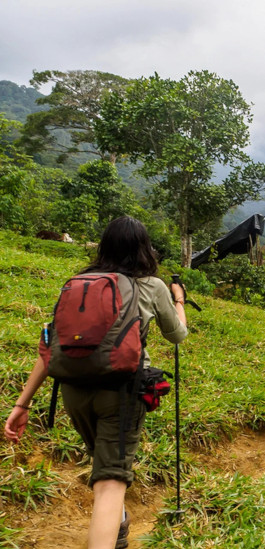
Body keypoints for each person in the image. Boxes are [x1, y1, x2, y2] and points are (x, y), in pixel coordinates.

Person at [4, 216, 188, 549]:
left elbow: (50, 346)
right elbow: (177, 335)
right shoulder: (151, 285)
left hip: (74, 393)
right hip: (122, 393)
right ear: (144, 248)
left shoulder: (80, 283)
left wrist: (22, 403)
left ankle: (116, 527)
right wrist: (179, 300)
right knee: (110, 480)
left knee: (101, 464)